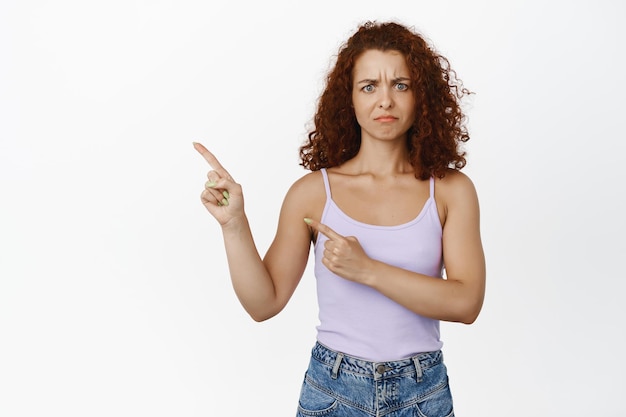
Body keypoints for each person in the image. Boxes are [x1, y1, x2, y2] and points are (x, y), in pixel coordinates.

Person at [194, 20, 485, 417]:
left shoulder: (451, 190)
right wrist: (234, 225)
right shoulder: (313, 193)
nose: (385, 100)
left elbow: (466, 303)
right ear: (349, 98)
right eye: (369, 86)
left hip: (423, 393)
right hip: (333, 391)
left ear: (422, 96)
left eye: (401, 85)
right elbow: (264, 303)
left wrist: (368, 270)